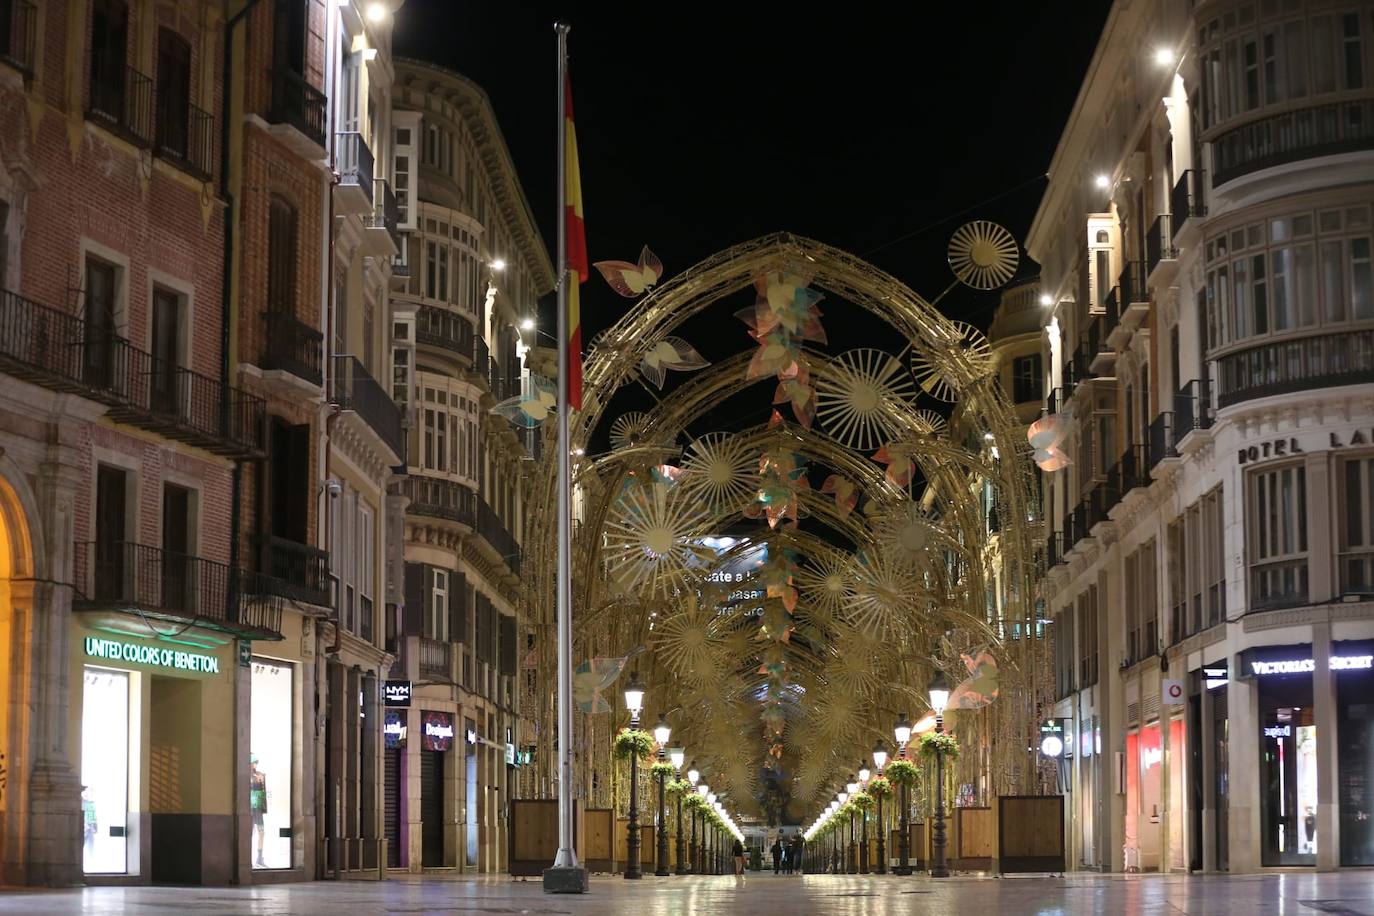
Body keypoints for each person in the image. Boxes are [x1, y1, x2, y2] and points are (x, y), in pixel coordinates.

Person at [250, 754, 268, 868]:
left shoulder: (260, 775)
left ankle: (259, 858)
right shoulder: (246, 776)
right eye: (252, 762)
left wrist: (263, 808)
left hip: (258, 808)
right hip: (249, 808)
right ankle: (250, 858)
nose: (254, 764)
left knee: (261, 832)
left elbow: (262, 793)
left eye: (255, 762)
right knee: (250, 833)